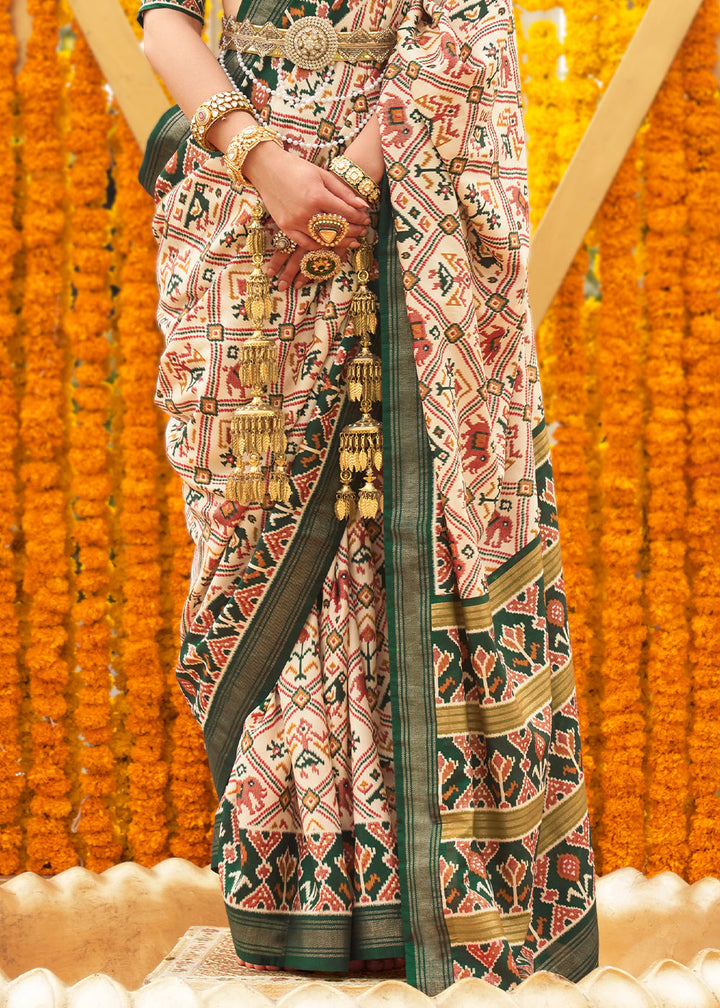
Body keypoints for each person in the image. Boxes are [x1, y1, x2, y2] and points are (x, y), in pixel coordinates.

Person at [140, 0, 599, 995]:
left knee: (388, 531)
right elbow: (162, 18)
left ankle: (411, 903)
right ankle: (292, 895)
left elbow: (460, 32)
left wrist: (346, 179)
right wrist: (262, 162)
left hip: (390, 216)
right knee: (254, 539)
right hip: (241, 233)